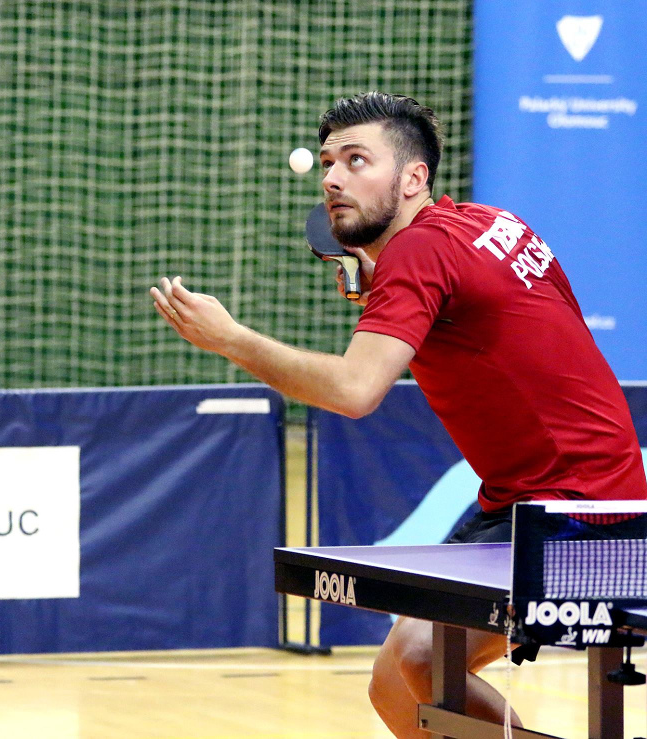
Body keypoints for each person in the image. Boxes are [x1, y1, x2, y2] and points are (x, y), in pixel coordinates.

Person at [150, 92, 647, 737]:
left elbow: (356, 391)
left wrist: (232, 339)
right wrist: (385, 287)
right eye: (329, 162)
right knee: (396, 687)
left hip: (577, 507)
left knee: (421, 658)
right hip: (539, 496)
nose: (332, 177)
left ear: (414, 178)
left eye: (357, 160)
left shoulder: (417, 256)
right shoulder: (491, 223)